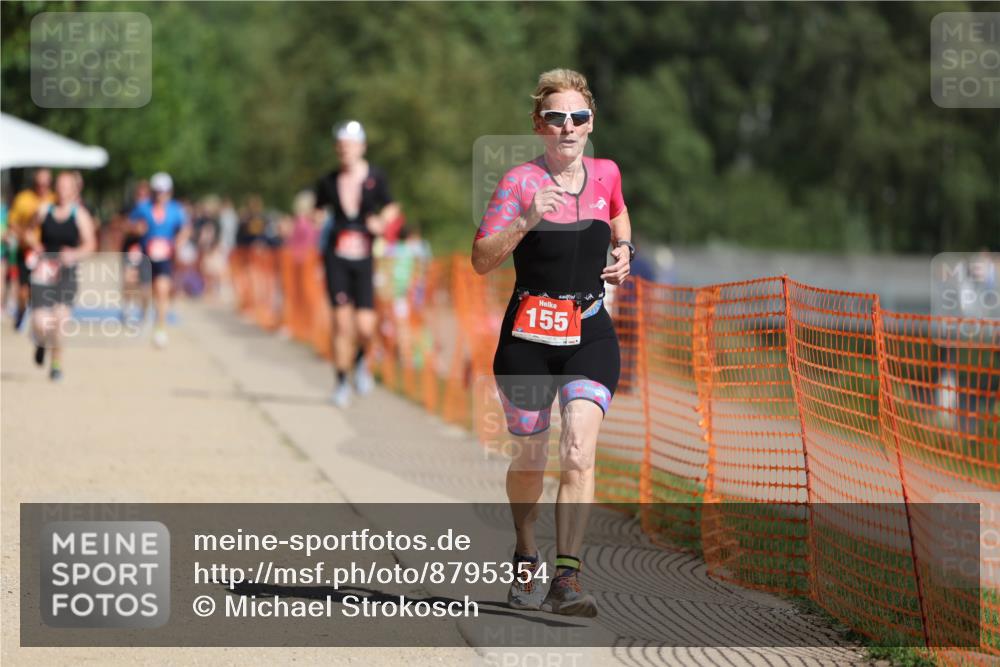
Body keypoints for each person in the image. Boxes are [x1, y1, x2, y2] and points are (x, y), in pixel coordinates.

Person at [470, 69, 634, 617]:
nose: (568, 127)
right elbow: (480, 259)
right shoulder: (518, 182)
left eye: (578, 118)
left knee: (579, 451)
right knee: (533, 458)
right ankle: (524, 551)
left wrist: (625, 249)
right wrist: (526, 219)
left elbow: (618, 211)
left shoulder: (607, 173)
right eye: (557, 118)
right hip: (528, 340)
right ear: (539, 125)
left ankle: (567, 578)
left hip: (589, 331)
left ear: (591, 124)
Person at [314, 120, 400, 407]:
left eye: (349, 145)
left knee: (364, 327)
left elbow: (391, 207)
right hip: (336, 258)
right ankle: (340, 382)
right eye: (340, 146)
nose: (344, 151)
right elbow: (316, 209)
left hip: (364, 258)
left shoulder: (375, 176)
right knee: (341, 324)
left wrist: (381, 221)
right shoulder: (327, 181)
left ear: (361, 147)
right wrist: (318, 219)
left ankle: (361, 362)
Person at [26, 171, 97, 381]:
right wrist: (35, 245)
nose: (63, 190)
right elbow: (28, 231)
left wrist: (75, 254)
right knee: (41, 322)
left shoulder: (80, 215)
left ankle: (56, 364)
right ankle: (40, 341)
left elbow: (91, 244)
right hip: (44, 272)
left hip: (67, 273)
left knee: (60, 320)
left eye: (67, 187)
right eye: (60, 186)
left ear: (74, 190)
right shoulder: (44, 210)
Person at [128, 172, 190, 348]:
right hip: (146, 255)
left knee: (162, 291)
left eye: (164, 191)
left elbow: (185, 228)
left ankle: (160, 328)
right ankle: (144, 314)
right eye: (158, 191)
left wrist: (179, 241)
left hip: (165, 257)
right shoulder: (143, 207)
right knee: (145, 291)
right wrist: (137, 229)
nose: (161, 194)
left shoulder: (176, 209)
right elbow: (130, 224)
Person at [8, 169, 54, 330]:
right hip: (26, 251)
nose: (42, 187)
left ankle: (37, 320)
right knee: (23, 290)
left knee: (42, 290)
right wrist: (25, 236)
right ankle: (21, 312)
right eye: (39, 184)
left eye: (45, 184)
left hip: (45, 253)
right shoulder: (23, 199)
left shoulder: (53, 199)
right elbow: (12, 223)